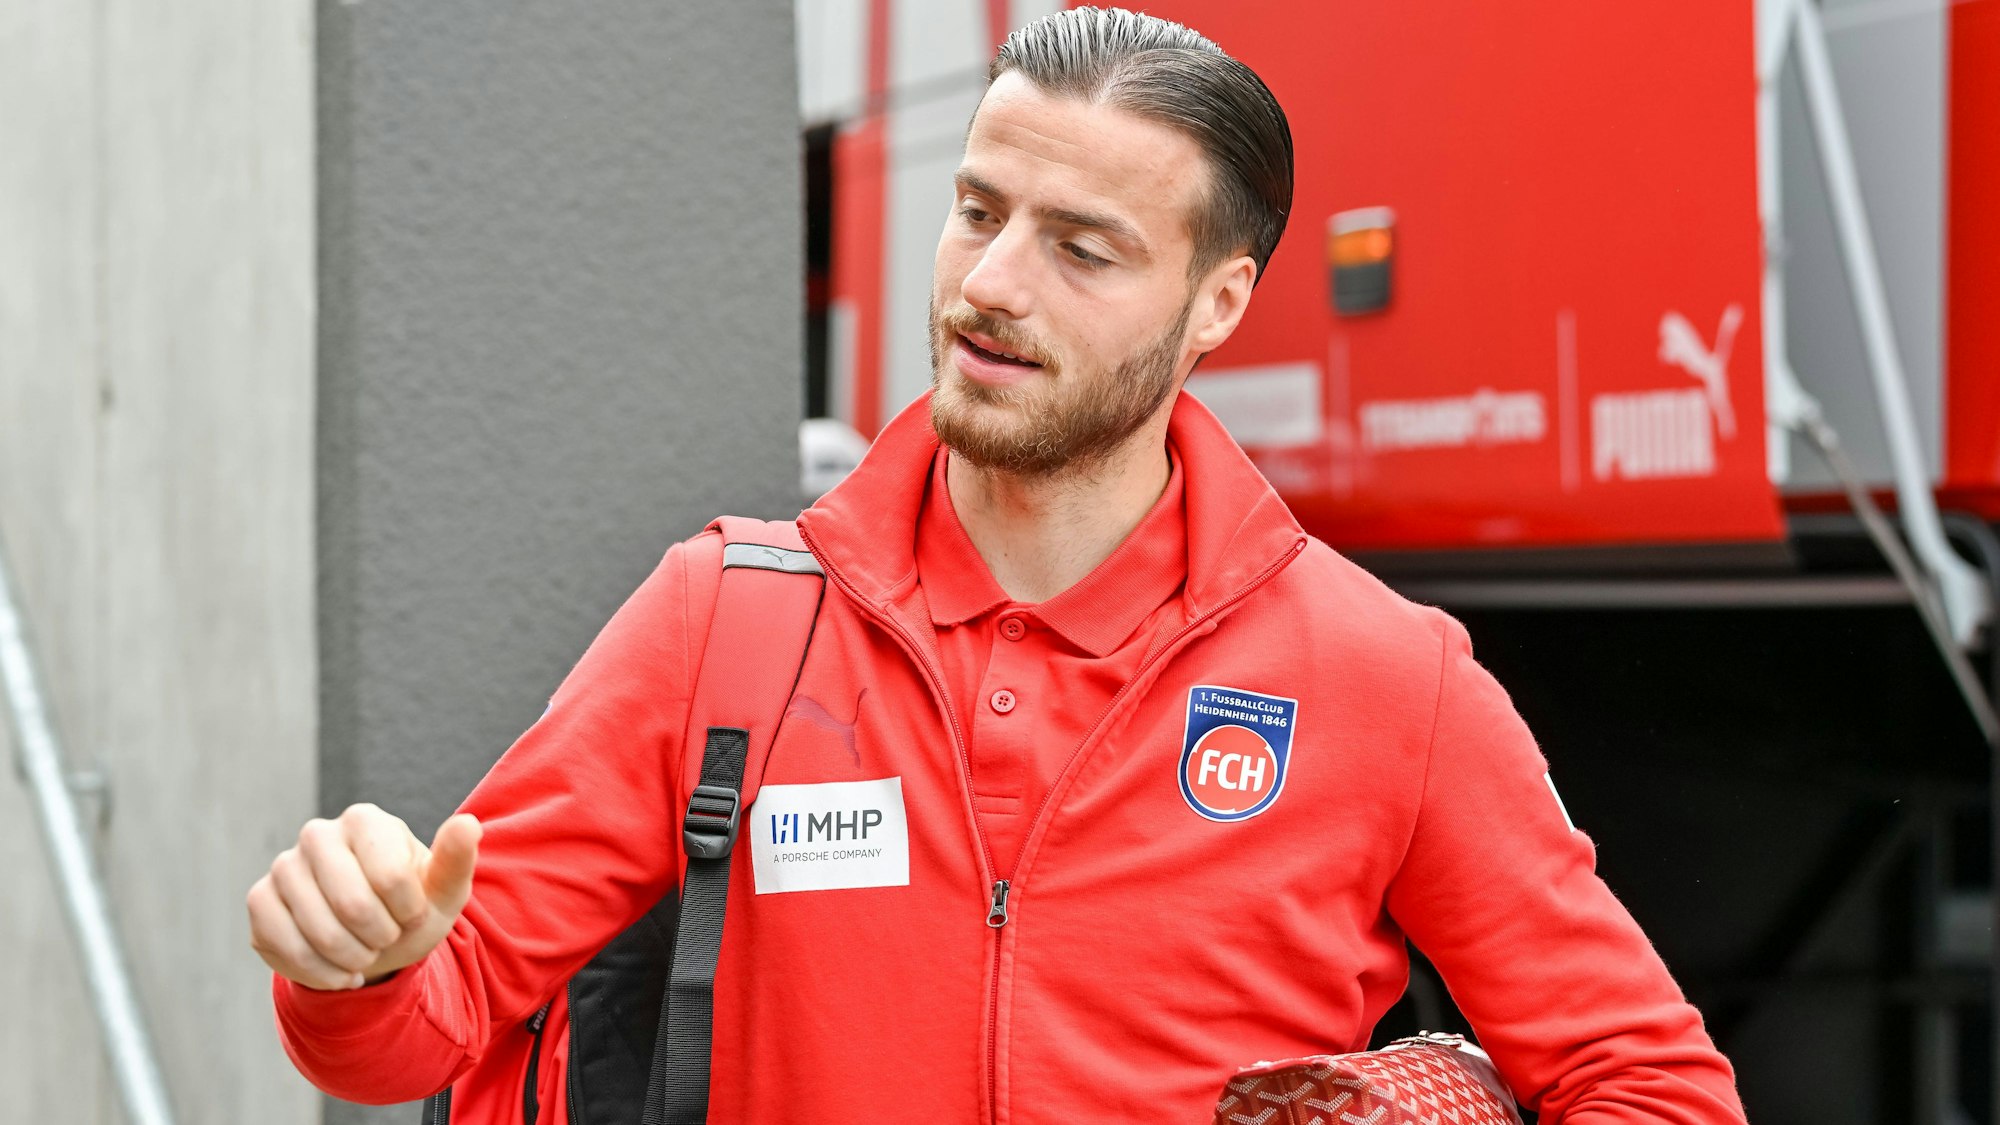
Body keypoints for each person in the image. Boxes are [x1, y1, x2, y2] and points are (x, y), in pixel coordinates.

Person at [249, 9, 1749, 1123]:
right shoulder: (731, 618)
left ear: (1217, 303)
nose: (989, 283)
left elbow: (1651, 1083)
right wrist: (358, 963)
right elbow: (419, 1031)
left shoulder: (1385, 680)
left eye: (1082, 249)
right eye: (979, 211)